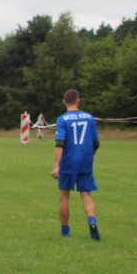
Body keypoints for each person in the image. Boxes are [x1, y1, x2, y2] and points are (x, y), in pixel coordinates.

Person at [52, 89, 100, 240]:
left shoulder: (62, 119)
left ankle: (65, 231)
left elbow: (60, 143)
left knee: (64, 194)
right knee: (86, 194)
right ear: (78, 100)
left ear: (64, 102)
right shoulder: (90, 118)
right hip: (85, 160)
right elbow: (96, 143)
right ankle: (92, 221)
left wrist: (56, 165)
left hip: (68, 161)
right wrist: (89, 155)